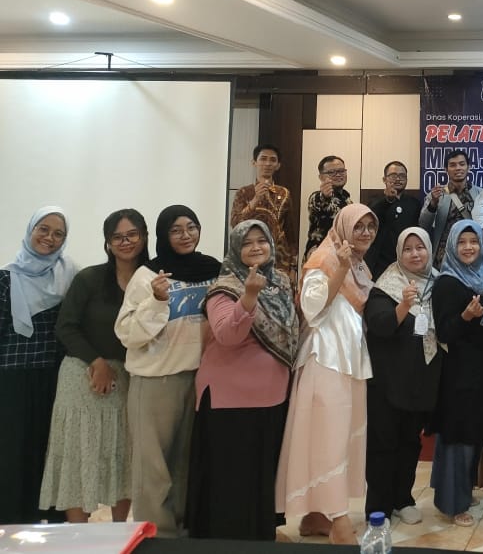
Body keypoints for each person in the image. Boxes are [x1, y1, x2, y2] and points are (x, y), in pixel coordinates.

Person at [187, 220, 300, 540]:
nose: (255, 247)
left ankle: (261, 535)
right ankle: (230, 541)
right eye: (247, 243)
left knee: (262, 475)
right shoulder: (224, 287)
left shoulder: (280, 281)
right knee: (231, 479)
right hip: (230, 401)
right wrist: (249, 296)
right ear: (236, 248)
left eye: (261, 241)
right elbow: (227, 335)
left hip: (273, 396)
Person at [275, 203, 377, 545]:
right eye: (358, 226)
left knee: (336, 439)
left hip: (349, 360)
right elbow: (313, 308)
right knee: (328, 441)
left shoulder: (358, 264)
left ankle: (316, 515)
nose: (365, 232)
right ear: (343, 226)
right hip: (326, 358)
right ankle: (339, 521)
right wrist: (341, 267)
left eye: (370, 227)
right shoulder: (325, 258)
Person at [116, 205, 220, 536]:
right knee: (154, 468)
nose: (186, 235)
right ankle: (156, 535)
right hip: (156, 381)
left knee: (187, 462)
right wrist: (158, 300)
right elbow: (127, 333)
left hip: (200, 378)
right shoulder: (147, 276)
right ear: (163, 235)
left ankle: (183, 531)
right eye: (176, 230)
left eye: (192, 227)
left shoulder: (213, 271)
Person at [41, 209, 147, 523]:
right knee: (79, 456)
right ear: (108, 242)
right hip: (82, 374)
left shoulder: (152, 279)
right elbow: (66, 327)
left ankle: (118, 533)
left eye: (132, 234)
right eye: (117, 236)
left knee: (122, 454)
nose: (125, 242)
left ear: (144, 237)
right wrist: (96, 362)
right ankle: (79, 535)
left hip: (129, 377)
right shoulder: (89, 278)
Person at [0, 206, 77, 525]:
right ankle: (10, 519)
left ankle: (49, 519)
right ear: (31, 230)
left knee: (50, 449)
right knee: (12, 448)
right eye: (43, 229)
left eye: (58, 233)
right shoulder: (6, 277)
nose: (50, 238)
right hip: (11, 379)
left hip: (55, 377)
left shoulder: (70, 276)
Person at [363, 227, 444, 526]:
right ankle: (379, 507)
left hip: (422, 380)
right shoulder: (386, 285)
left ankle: (403, 499)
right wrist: (404, 305)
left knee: (410, 442)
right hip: (388, 383)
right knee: (384, 444)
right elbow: (379, 324)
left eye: (420, 247)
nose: (415, 254)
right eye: (408, 249)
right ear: (399, 253)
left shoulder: (438, 283)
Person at [429, 221, 483, 527]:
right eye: (462, 242)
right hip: (458, 373)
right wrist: (466, 316)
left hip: (480, 369)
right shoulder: (447, 283)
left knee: (473, 435)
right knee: (457, 437)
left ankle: (464, 492)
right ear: (452, 246)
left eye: (474, 241)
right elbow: (445, 332)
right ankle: (452, 503)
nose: (469, 247)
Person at [230, 144, 296, 288]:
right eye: (263, 159)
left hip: (280, 261)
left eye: (273, 160)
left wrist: (293, 267)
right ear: (254, 162)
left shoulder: (284, 193)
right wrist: (255, 200)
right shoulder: (244, 192)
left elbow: (290, 233)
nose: (268, 163)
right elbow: (235, 224)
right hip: (250, 257)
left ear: (278, 165)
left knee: (279, 297)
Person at [420, 149, 477, 266]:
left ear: (469, 167)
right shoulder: (436, 194)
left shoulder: (480, 194)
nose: (458, 168)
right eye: (452, 165)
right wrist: (433, 203)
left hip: (472, 253)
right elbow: (423, 225)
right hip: (443, 257)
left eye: (462, 164)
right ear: (446, 169)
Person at [368, 161, 422, 279]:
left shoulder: (414, 203)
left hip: (407, 260)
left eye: (402, 176)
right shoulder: (375, 201)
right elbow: (370, 218)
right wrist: (388, 200)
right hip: (379, 262)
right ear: (384, 179)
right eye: (393, 176)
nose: (398, 179)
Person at [304, 155, 352, 259]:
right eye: (332, 172)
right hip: (319, 256)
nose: (338, 175)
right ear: (321, 177)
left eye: (341, 171)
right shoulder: (316, 197)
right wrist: (324, 196)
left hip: (342, 255)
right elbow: (319, 203)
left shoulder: (347, 199)